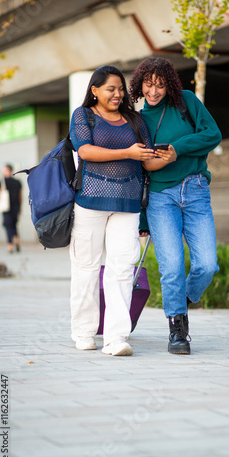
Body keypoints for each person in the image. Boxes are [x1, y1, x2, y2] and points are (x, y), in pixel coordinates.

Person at [129, 57, 222, 355]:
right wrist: (143, 220)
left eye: (160, 84)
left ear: (169, 83)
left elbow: (212, 135)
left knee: (207, 264)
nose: (154, 91)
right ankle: (177, 331)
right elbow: (141, 171)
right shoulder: (139, 120)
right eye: (148, 84)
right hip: (160, 198)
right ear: (139, 84)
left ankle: (181, 298)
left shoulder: (187, 102)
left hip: (194, 190)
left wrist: (176, 151)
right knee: (171, 267)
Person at [69, 65, 154, 356]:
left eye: (121, 89)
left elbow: (147, 160)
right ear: (94, 90)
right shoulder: (84, 116)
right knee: (86, 267)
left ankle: (116, 338)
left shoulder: (136, 120)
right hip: (90, 201)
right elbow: (85, 151)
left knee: (121, 269)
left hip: (128, 204)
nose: (118, 94)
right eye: (111, 89)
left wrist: (166, 156)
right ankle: (84, 332)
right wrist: (127, 152)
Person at [0, 164, 22, 253]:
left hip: (5, 207)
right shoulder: (17, 182)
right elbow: (20, 196)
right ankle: (16, 239)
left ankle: (10, 246)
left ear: (8, 170)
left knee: (8, 226)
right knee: (14, 224)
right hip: (16, 206)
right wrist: (20, 207)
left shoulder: (2, 181)